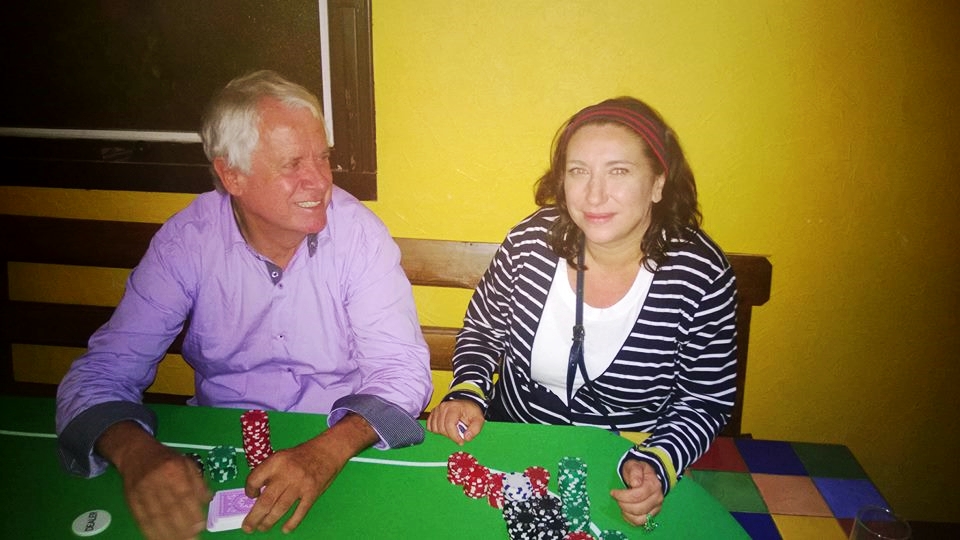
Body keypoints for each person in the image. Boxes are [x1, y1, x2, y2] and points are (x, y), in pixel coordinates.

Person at [56, 70, 432, 540]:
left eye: (323, 157)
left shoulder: (359, 235)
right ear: (231, 175)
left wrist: (326, 452)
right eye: (293, 164)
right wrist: (136, 453)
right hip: (221, 441)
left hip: (342, 441)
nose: (320, 181)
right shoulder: (187, 242)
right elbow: (101, 373)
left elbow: (402, 371)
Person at [427, 97, 738, 528]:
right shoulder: (529, 243)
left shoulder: (699, 273)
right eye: (578, 171)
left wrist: (658, 462)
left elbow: (705, 399)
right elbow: (484, 331)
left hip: (626, 467)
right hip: (513, 446)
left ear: (658, 183)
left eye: (619, 171)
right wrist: (468, 390)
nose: (594, 194)